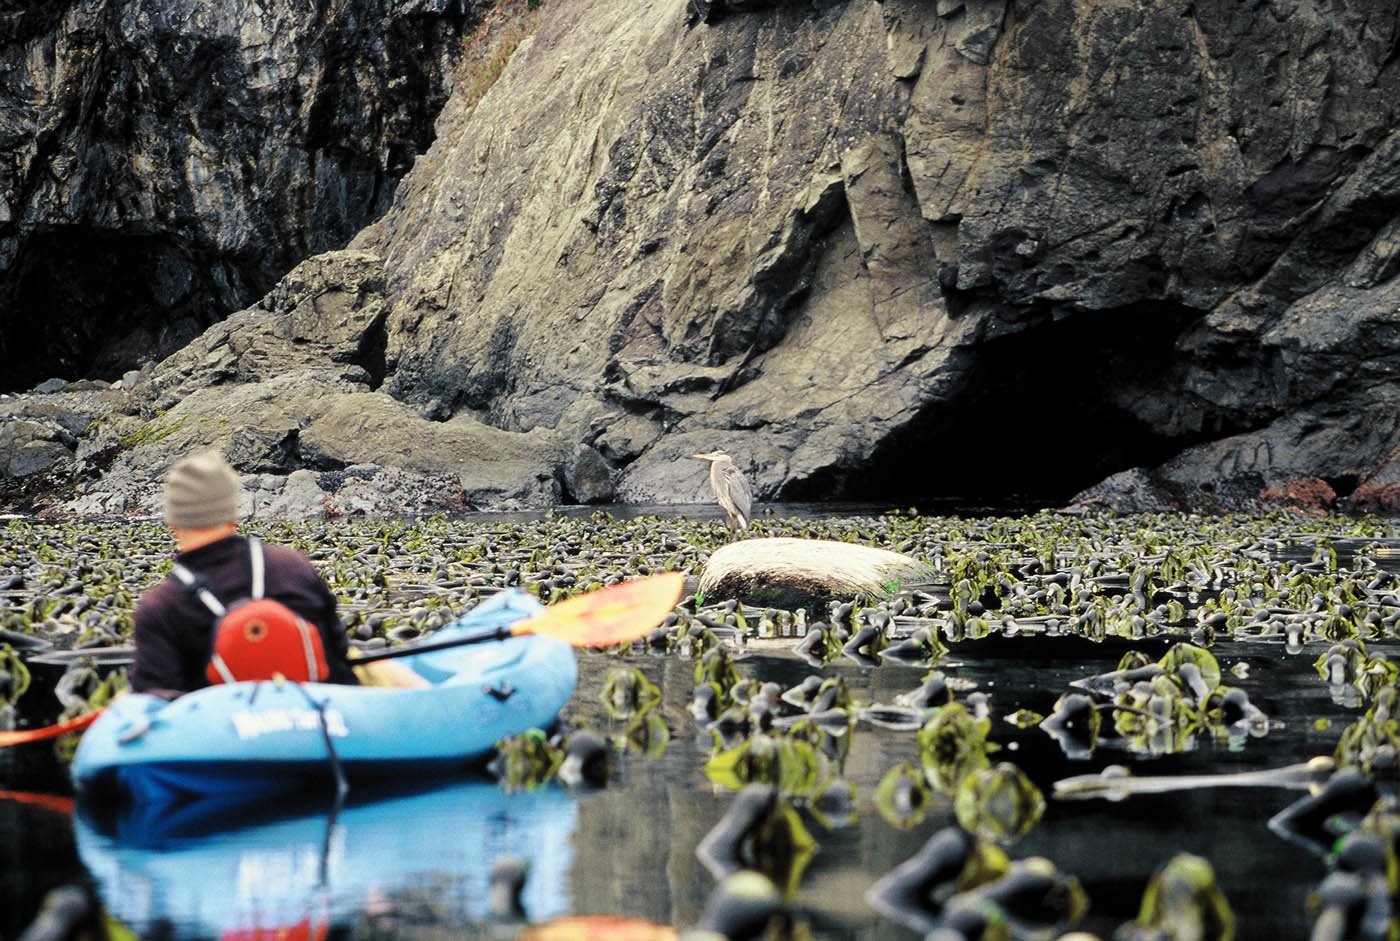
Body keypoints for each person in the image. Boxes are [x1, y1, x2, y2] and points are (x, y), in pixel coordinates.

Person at [130, 450, 360, 698]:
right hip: (322, 723)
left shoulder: (161, 607)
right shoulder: (294, 566)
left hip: (222, 731)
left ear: (173, 523)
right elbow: (339, 653)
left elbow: (153, 703)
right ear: (232, 514)